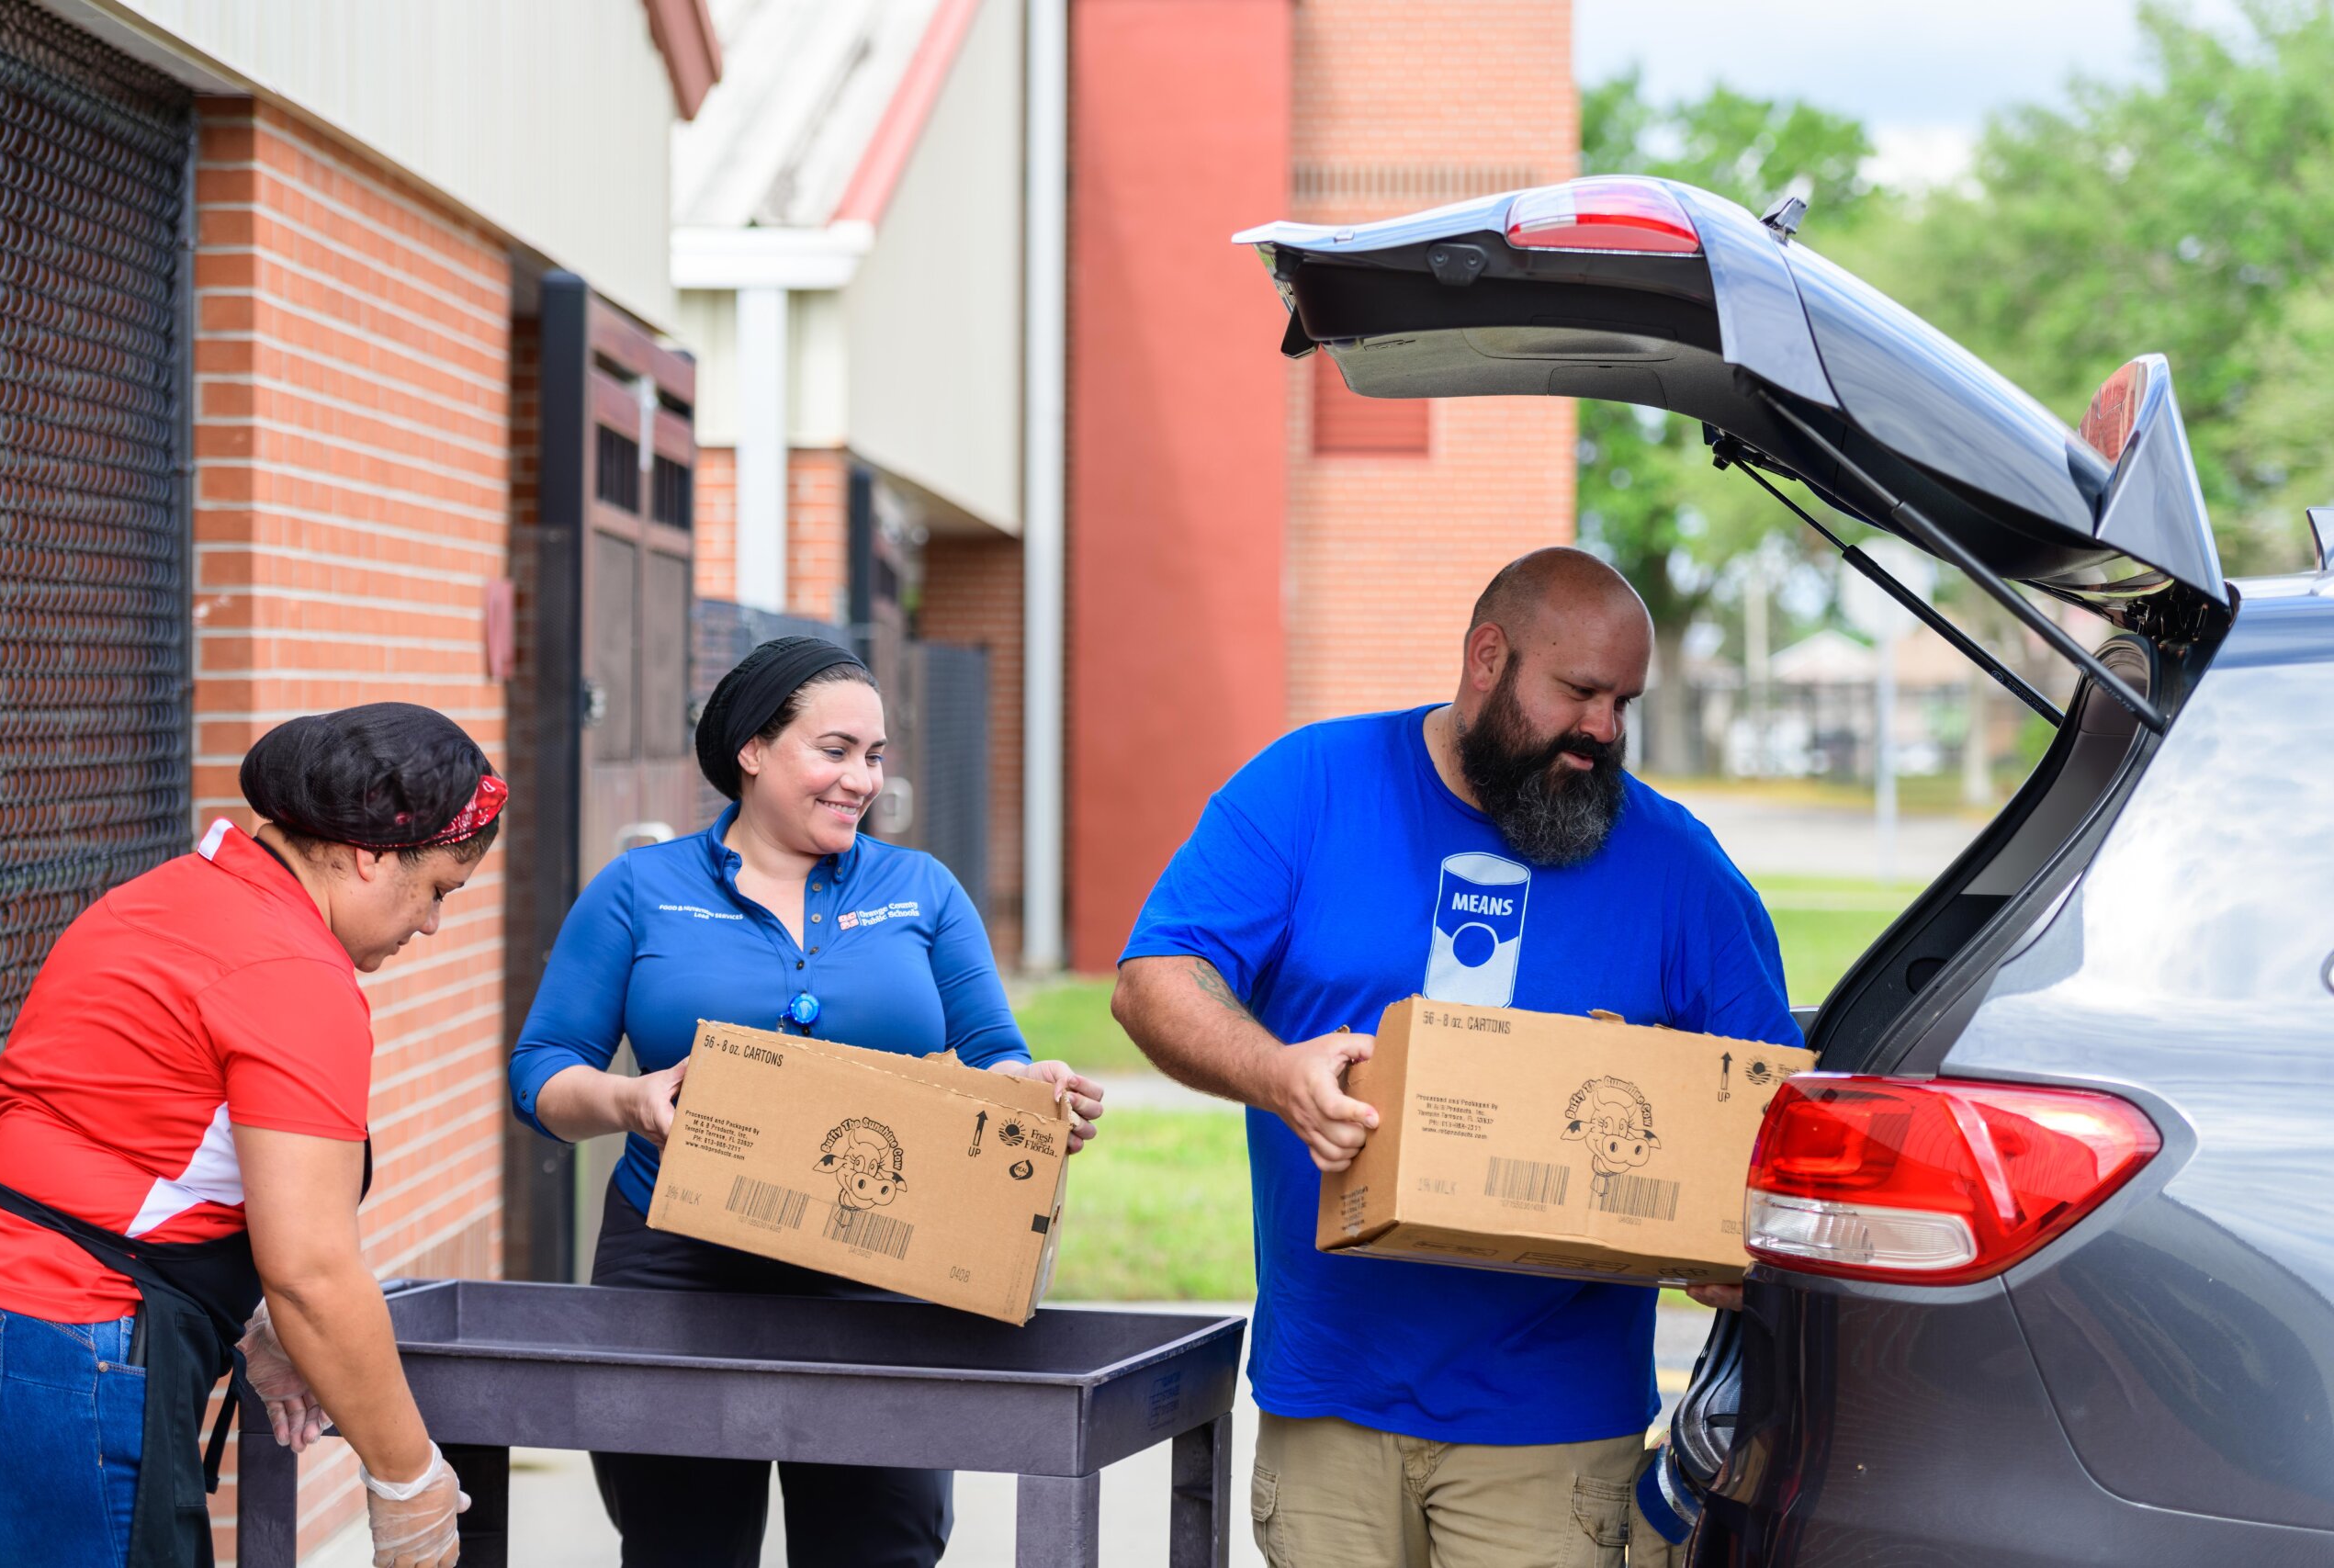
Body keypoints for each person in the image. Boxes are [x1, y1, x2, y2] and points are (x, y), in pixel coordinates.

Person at [1111, 547, 1802, 1567]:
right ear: (1487, 656)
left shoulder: (1676, 867)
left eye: (1624, 702)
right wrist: (1277, 1074)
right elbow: (1155, 978)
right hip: (1331, 1396)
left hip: (1551, 1423)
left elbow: (1762, 1102)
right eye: (1578, 692)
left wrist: (1728, 1237)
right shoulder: (1309, 787)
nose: (1604, 730)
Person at [510, 635, 1103, 1568]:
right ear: (752, 748)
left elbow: (995, 1056)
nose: (860, 779)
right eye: (834, 751)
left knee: (881, 1548)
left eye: (873, 756)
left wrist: (1035, 1095)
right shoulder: (640, 892)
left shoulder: (921, 891)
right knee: (682, 1549)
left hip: (883, 1270)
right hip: (676, 1270)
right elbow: (540, 1073)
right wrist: (627, 1099)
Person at [0, 704, 509, 1568]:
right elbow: (312, 1267)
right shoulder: (293, 973)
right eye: (440, 889)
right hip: (69, 1342)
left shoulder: (173, 896)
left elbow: (122, 1125)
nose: (432, 925)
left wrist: (249, 1315)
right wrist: (407, 1478)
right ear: (371, 853)